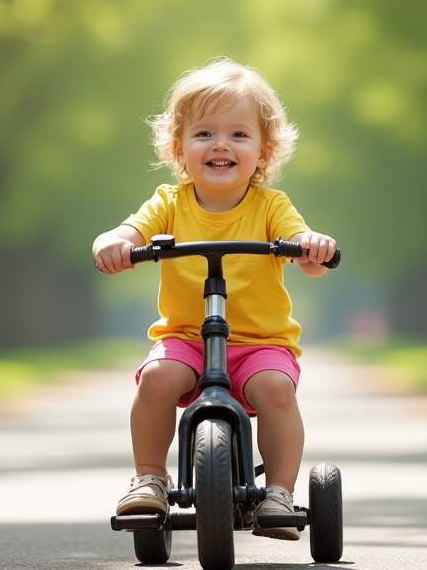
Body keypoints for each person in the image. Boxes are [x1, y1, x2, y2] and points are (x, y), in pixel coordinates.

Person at [93, 57, 337, 541]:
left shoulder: (271, 206)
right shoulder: (169, 202)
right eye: (204, 134)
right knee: (157, 379)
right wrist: (114, 241)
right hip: (186, 337)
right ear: (179, 149)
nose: (221, 144)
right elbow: (130, 228)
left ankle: (279, 492)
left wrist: (313, 249)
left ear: (264, 153)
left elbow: (305, 251)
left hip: (260, 342)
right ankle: (149, 479)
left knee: (275, 390)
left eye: (239, 135)